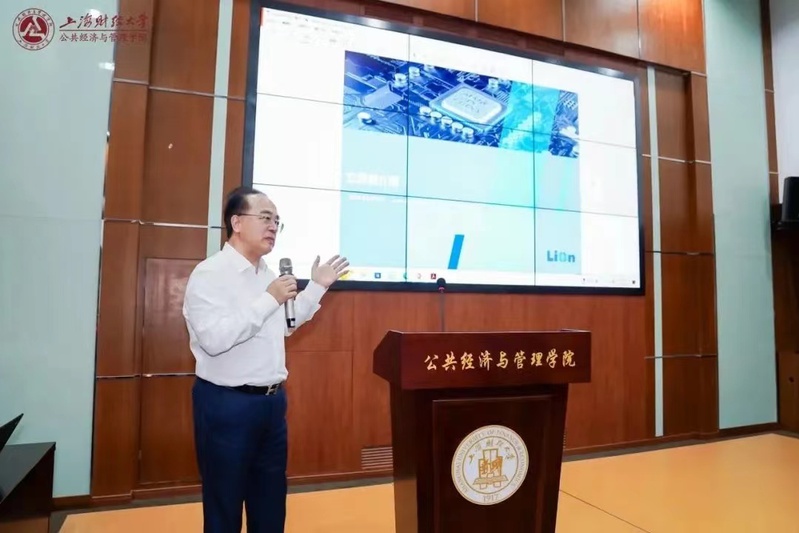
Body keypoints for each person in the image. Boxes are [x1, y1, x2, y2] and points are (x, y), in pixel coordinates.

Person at [182, 186, 348, 533]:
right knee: (224, 506)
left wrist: (317, 287)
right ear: (236, 223)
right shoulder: (210, 274)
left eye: (277, 221)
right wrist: (268, 299)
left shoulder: (267, 275)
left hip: (271, 406)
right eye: (266, 218)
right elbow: (214, 340)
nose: (273, 227)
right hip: (227, 405)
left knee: (270, 505)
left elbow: (286, 324)